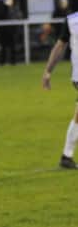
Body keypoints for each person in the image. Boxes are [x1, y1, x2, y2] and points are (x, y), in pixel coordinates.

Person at [42, 11, 78, 169]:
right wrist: (48, 71)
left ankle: (66, 156)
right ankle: (66, 156)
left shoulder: (72, 20)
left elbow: (60, 46)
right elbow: (60, 46)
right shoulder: (72, 21)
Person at [0, 0, 22, 65]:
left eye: (10, 0)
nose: (9, 1)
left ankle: (13, 62)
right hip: (4, 32)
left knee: (13, 48)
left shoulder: (15, 8)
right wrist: (6, 7)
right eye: (7, 0)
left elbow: (19, 17)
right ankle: (2, 62)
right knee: (3, 48)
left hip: (13, 32)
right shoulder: (1, 9)